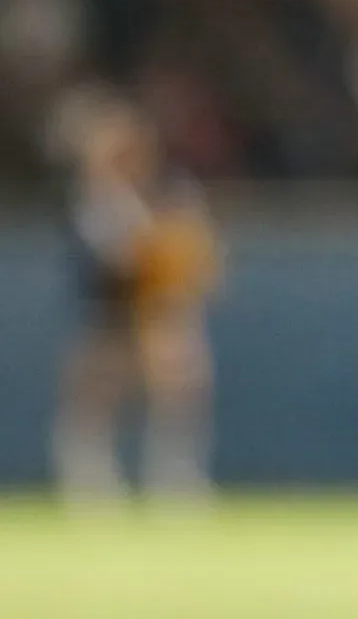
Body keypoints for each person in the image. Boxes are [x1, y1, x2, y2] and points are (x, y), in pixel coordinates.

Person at [53, 92, 221, 502]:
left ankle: (174, 474)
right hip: (110, 313)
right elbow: (109, 258)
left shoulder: (171, 189)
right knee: (98, 388)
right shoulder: (95, 199)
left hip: (160, 308)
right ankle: (88, 477)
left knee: (181, 376)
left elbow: (196, 250)